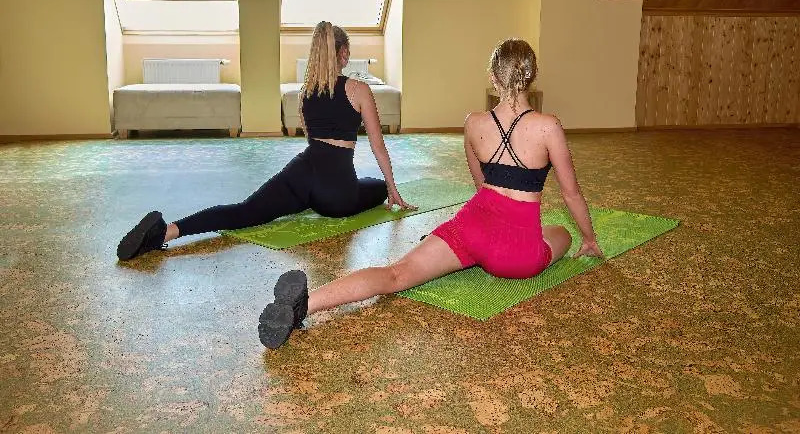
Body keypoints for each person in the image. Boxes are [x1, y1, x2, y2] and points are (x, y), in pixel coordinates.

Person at [258, 38, 603, 348]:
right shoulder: (548, 126)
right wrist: (589, 238)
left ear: (493, 77)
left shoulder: (474, 123)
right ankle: (580, 241)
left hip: (471, 229)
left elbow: (481, 187)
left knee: (395, 274)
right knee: (562, 233)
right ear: (531, 76)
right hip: (516, 255)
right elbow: (571, 194)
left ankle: (305, 304)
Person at [117, 21, 415, 261]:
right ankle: (376, 190)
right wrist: (392, 189)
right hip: (336, 194)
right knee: (376, 187)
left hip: (301, 174)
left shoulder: (304, 93)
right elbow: (377, 146)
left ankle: (167, 231)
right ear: (345, 53)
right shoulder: (359, 89)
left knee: (244, 211)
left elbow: (312, 139)